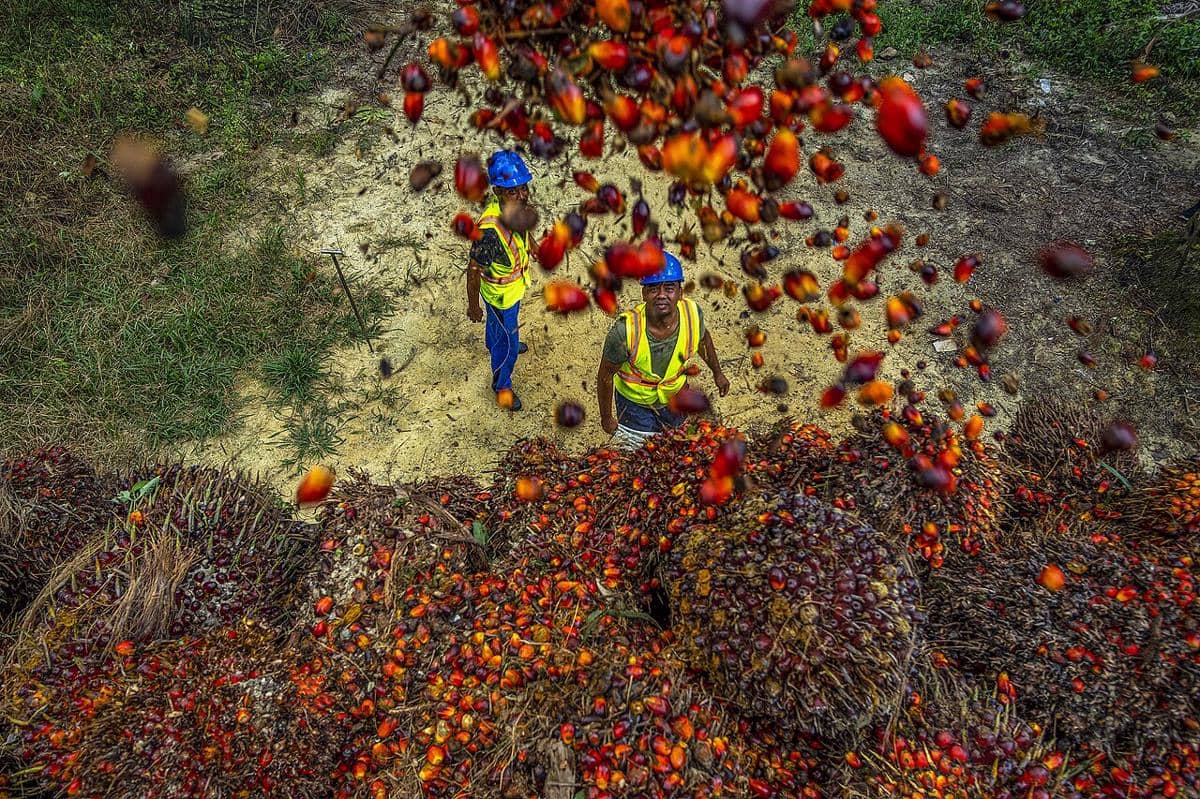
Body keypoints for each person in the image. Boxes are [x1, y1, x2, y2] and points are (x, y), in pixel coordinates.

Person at [596, 252, 730, 449]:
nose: (661, 295)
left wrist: (717, 372)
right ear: (643, 294)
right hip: (635, 403)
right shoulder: (625, 331)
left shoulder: (692, 314)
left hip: (675, 394)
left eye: (669, 288)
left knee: (674, 444)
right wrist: (606, 417)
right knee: (638, 453)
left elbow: (703, 340)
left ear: (680, 292)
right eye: (653, 289)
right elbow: (605, 375)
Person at [467, 150, 534, 410]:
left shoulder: (516, 208)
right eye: (512, 191)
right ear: (497, 192)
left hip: (514, 290)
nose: (521, 195)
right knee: (506, 344)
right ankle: (502, 384)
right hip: (500, 297)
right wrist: (473, 306)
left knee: (503, 332)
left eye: (523, 188)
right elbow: (473, 271)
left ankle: (500, 342)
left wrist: (534, 245)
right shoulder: (488, 233)